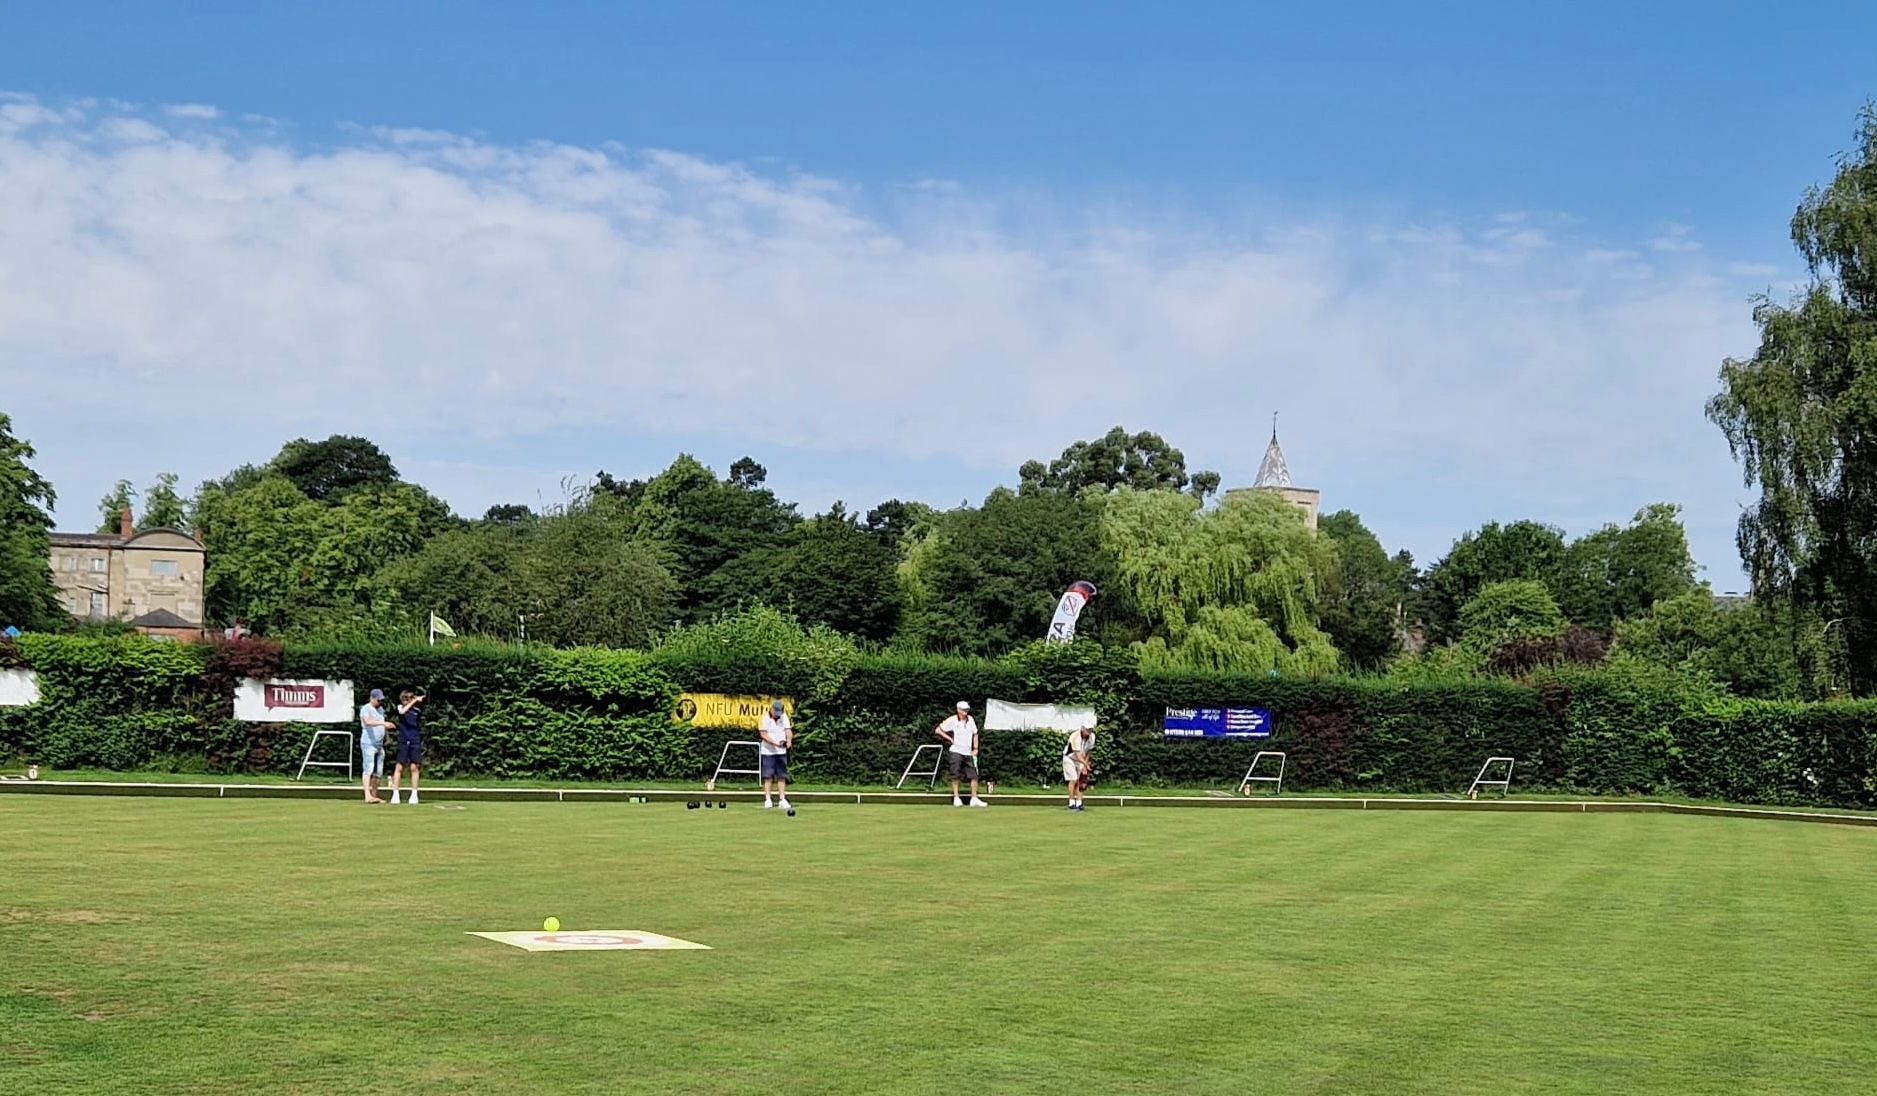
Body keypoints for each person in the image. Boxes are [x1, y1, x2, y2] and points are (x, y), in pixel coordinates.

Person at [935, 701, 987, 807]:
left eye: (967, 709)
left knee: (974, 775)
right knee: (955, 775)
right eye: (963, 710)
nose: (965, 712)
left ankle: (974, 798)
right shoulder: (952, 720)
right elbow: (938, 730)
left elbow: (975, 734)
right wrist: (950, 739)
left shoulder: (971, 719)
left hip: (968, 752)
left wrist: (976, 748)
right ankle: (956, 797)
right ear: (958, 710)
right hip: (956, 751)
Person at [387, 689, 425, 806]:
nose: (406, 700)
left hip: (415, 741)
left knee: (414, 767)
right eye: (405, 698)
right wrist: (414, 701)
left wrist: (415, 702)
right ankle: (395, 794)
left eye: (408, 698)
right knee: (399, 767)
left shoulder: (417, 711)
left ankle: (414, 794)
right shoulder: (400, 708)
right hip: (403, 741)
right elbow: (403, 712)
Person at [357, 688, 393, 804]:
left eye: (381, 700)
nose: (380, 702)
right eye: (378, 700)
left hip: (379, 745)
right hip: (368, 743)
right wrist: (383, 723)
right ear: (372, 698)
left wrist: (387, 737)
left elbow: (383, 724)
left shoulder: (380, 709)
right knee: (368, 768)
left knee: (379, 771)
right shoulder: (365, 709)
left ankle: (374, 795)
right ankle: (367, 796)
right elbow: (368, 722)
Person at [757, 699, 793, 811]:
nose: (777, 714)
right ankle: (768, 799)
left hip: (781, 752)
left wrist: (789, 740)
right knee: (768, 776)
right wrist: (776, 743)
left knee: (782, 776)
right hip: (768, 751)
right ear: (772, 709)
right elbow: (763, 735)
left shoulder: (784, 716)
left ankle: (782, 799)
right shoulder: (764, 718)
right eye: (776, 712)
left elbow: (788, 730)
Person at [1062, 724, 1095, 811]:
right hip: (1069, 758)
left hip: (1081, 759)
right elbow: (1077, 754)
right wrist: (1086, 765)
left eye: (1091, 730)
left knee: (1081, 780)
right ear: (1082, 729)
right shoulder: (1075, 736)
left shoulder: (1092, 737)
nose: (1089, 732)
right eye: (1087, 730)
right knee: (1073, 780)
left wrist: (1085, 764)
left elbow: (1088, 752)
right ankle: (1071, 803)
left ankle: (1079, 803)